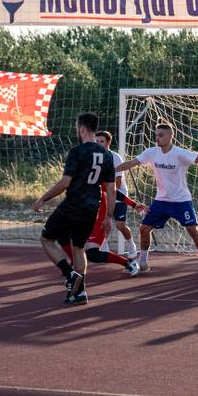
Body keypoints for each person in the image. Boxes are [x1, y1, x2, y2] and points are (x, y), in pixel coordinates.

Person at [33, 112, 115, 306]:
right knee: (79, 248)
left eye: (77, 127)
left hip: (73, 205)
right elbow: (111, 190)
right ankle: (79, 293)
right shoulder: (106, 155)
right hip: (92, 208)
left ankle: (70, 275)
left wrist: (42, 199)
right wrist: (108, 216)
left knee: (46, 238)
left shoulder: (77, 152)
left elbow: (64, 182)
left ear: (82, 129)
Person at [115, 123, 198, 277]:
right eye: (156, 134)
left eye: (161, 135)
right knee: (144, 228)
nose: (157, 138)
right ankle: (143, 263)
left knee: (193, 230)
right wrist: (111, 170)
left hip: (181, 200)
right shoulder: (151, 152)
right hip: (161, 201)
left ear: (170, 136)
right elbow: (131, 163)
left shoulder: (180, 153)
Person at [58, 188, 146, 277]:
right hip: (81, 218)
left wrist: (134, 204)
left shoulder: (98, 177)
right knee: (62, 236)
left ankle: (129, 263)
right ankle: (74, 264)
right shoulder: (76, 178)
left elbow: (113, 191)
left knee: (92, 254)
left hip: (99, 221)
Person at [95, 131, 139, 259]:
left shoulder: (115, 157)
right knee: (103, 225)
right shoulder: (95, 157)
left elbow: (117, 184)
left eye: (101, 141)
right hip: (103, 197)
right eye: (96, 141)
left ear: (108, 142)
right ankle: (104, 250)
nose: (98, 144)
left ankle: (131, 247)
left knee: (120, 225)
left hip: (118, 197)